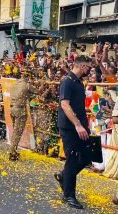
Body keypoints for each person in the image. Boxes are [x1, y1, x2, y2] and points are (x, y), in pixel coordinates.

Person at [55, 55, 93, 209]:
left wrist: (83, 125)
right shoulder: (67, 81)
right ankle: (69, 195)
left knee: (86, 157)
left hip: (81, 126)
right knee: (73, 158)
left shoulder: (78, 82)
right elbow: (65, 105)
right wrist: (77, 125)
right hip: (70, 128)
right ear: (82, 66)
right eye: (88, 67)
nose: (89, 70)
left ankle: (64, 176)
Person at [9, 71, 44, 161]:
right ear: (28, 77)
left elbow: (25, 95)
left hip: (12, 109)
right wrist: (42, 84)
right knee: (18, 132)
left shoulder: (16, 83)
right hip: (20, 110)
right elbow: (39, 91)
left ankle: (13, 150)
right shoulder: (27, 85)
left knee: (15, 131)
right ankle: (12, 152)